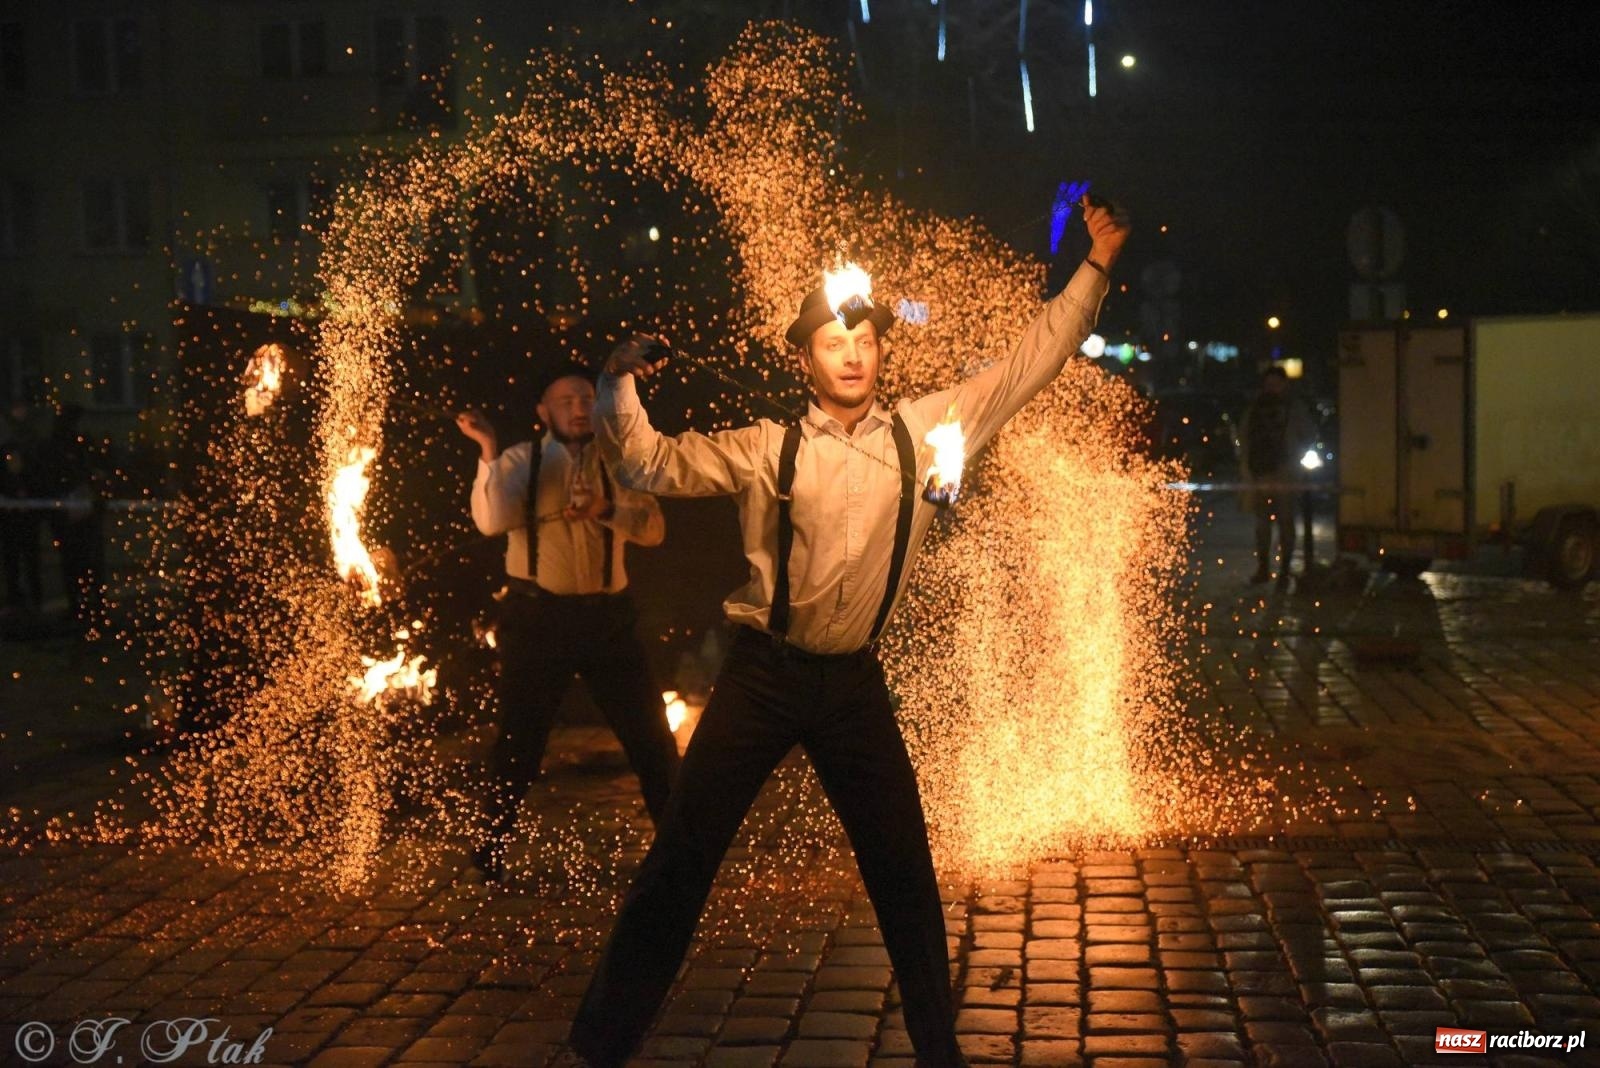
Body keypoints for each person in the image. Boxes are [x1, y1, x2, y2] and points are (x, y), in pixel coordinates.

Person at [567, 197, 1129, 1066]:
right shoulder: (766, 448)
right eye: (834, 343)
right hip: (761, 677)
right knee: (682, 857)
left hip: (852, 687)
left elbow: (1028, 362)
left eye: (864, 341)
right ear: (806, 359)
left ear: (880, 349)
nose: (854, 354)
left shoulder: (926, 433)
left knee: (905, 875)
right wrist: (616, 380)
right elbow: (648, 462)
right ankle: (599, 1045)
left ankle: (939, 1052)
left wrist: (1096, 265)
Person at [455, 360, 680, 882]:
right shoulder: (519, 460)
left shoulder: (622, 462)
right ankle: (489, 848)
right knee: (519, 742)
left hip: (609, 620)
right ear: (543, 412)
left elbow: (653, 531)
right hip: (538, 620)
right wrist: (487, 450)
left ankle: (679, 850)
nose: (579, 409)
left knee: (651, 739)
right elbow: (493, 521)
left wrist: (606, 510)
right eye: (566, 401)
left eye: (586, 400)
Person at [1237, 366, 1317, 589]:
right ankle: (1264, 568)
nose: (1271, 388)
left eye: (1276, 383)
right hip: (1261, 471)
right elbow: (1244, 437)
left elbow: (1309, 434)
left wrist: (1295, 460)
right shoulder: (1256, 408)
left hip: (1284, 471)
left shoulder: (1294, 408)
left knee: (1284, 521)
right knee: (1263, 523)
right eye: (1268, 383)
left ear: (1284, 385)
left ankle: (1283, 570)